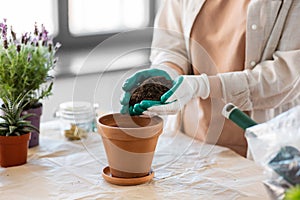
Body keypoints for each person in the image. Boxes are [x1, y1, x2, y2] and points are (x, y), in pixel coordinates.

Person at [120, 0, 300, 157]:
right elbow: (172, 43)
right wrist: (167, 72)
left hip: (258, 145)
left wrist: (204, 86)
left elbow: (286, 75)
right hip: (192, 137)